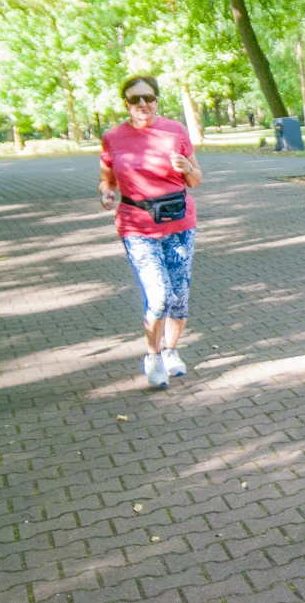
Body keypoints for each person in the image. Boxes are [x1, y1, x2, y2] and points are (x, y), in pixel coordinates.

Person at [99, 76, 203, 389]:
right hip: (136, 224)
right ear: (126, 104)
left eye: (149, 97)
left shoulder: (176, 131)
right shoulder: (113, 137)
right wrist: (106, 193)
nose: (143, 104)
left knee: (179, 297)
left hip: (179, 223)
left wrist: (186, 166)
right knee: (159, 297)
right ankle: (153, 355)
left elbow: (196, 180)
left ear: (157, 99)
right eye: (135, 99)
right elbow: (107, 180)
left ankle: (171, 351)